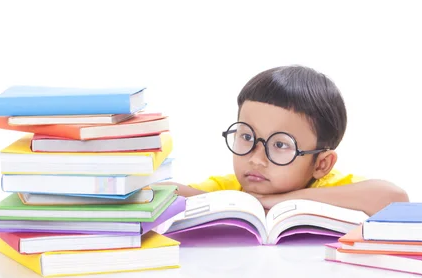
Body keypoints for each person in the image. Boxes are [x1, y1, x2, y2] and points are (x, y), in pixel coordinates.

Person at [169, 65, 409, 216]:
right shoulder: (231, 187)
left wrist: (278, 201)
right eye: (247, 137)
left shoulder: (332, 187)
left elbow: (394, 198)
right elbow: (163, 192)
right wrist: (241, 202)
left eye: (280, 145)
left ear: (321, 164)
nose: (256, 159)